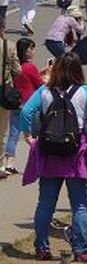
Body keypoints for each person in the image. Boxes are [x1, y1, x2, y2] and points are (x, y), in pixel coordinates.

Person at [20, 52, 87, 262]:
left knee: (45, 203)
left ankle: (42, 248)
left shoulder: (44, 91)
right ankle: (81, 249)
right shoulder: (85, 91)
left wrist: (27, 134)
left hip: (49, 152)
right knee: (80, 204)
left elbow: (25, 112)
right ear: (78, 70)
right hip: (77, 151)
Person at [3, 37, 44, 176]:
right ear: (25, 51)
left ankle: (8, 164)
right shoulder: (30, 67)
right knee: (35, 133)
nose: (33, 51)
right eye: (31, 48)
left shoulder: (15, 67)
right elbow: (40, 85)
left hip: (15, 103)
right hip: (30, 105)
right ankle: (38, 163)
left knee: (13, 135)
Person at [0, 32, 20, 180]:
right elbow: (17, 70)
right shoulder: (9, 46)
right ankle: (1, 165)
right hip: (3, 92)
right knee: (1, 131)